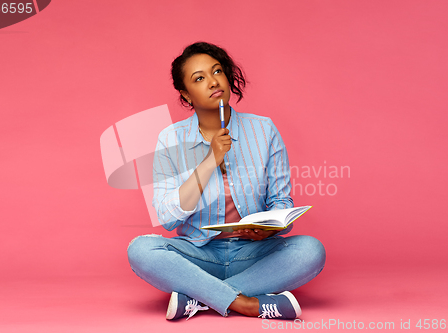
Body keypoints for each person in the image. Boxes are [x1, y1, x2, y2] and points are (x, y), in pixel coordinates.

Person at [127, 42, 325, 320]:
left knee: (310, 250)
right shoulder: (170, 139)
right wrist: (209, 161)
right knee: (141, 249)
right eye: (199, 78)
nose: (213, 82)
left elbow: (281, 201)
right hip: (198, 255)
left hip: (255, 255)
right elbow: (167, 217)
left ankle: (200, 298)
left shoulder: (264, 130)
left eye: (217, 71)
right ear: (185, 94)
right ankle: (248, 304)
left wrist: (270, 229)